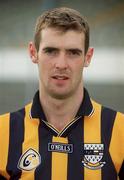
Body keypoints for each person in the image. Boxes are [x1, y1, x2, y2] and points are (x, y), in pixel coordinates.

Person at [0, 7, 124, 180]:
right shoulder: (2, 132)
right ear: (33, 53)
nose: (61, 64)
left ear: (88, 57)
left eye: (73, 53)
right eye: (51, 51)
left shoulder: (121, 131)